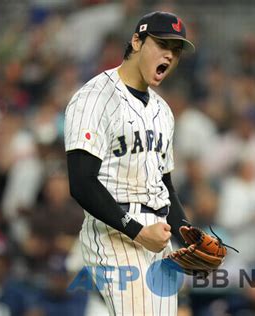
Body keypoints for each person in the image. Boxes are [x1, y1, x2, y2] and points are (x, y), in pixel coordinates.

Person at [64, 11, 195, 316]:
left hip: (158, 232)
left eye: (175, 51)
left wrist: (188, 234)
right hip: (115, 232)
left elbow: (165, 186)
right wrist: (136, 231)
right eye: (162, 44)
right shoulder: (94, 97)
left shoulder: (163, 111)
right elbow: (81, 183)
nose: (169, 55)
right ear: (136, 41)